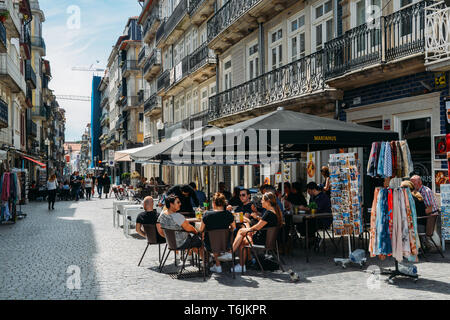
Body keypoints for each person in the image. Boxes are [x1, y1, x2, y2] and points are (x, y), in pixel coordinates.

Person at [232, 192, 283, 273]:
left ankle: (235, 259)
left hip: (261, 240)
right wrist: (256, 220)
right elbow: (265, 223)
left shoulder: (268, 213)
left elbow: (256, 227)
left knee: (242, 237)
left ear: (267, 202)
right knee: (244, 232)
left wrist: (248, 230)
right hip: (268, 240)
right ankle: (242, 260)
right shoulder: (275, 212)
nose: (261, 202)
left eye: (262, 200)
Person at [198, 192, 236, 273]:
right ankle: (218, 262)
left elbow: (201, 230)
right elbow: (234, 228)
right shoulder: (228, 214)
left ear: (214, 203)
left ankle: (216, 265)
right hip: (226, 244)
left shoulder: (206, 214)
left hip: (210, 245)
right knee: (217, 239)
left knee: (207, 239)